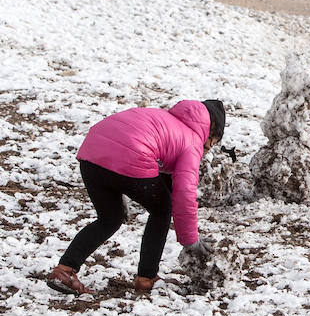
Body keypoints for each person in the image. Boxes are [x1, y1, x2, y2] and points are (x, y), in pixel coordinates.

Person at [46, 99, 226, 295]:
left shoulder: (165, 120)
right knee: (162, 210)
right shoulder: (192, 141)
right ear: (210, 133)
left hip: (92, 153)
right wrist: (191, 240)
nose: (206, 152)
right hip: (131, 155)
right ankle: (147, 278)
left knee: (110, 219)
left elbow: (166, 177)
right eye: (210, 146)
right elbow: (184, 193)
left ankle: (64, 271)